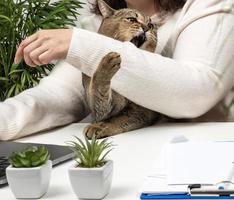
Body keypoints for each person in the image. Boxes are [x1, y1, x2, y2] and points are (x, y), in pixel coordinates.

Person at [0, 0, 233, 141]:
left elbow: (197, 91)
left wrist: (79, 44)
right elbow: (59, 94)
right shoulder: (99, 22)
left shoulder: (209, 5)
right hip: (125, 161)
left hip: (200, 168)